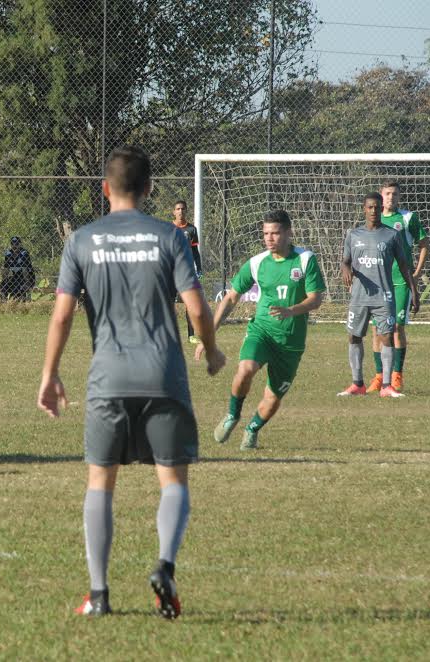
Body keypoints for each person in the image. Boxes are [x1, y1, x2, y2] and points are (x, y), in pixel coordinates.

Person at [37, 145, 226, 619]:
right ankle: (165, 565)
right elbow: (197, 308)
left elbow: (61, 316)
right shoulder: (170, 236)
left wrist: (50, 374)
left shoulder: (81, 240)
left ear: (105, 189)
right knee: (172, 479)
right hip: (163, 375)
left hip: (108, 379)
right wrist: (212, 349)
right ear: (149, 188)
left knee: (100, 481)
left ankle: (99, 594)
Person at [202, 209, 325, 450]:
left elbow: (316, 299)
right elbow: (231, 297)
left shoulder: (305, 260)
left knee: (272, 398)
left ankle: (252, 429)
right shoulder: (257, 263)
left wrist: (291, 310)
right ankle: (232, 415)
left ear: (288, 233)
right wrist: (210, 332)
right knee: (245, 369)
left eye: (275, 233)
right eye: (266, 233)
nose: (269, 238)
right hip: (262, 332)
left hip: (290, 342)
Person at [338, 193, 419, 398]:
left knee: (386, 336)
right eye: (370, 207)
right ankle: (357, 384)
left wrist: (414, 290)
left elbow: (404, 265)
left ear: (382, 208)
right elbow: (345, 261)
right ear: (364, 209)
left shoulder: (392, 235)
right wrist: (345, 269)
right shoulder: (353, 235)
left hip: (384, 296)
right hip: (359, 296)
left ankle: (386, 386)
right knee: (354, 336)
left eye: (377, 207)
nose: (373, 211)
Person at [368, 180, 429, 393]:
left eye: (394, 194)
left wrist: (417, 274)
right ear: (381, 195)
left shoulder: (408, 218)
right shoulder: (374, 218)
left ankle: (396, 376)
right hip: (378, 282)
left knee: (396, 328)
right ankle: (379, 377)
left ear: (399, 197)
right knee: (377, 329)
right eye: (387, 193)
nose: (390, 197)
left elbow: (424, 244)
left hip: (401, 281)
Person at [172, 200, 202, 344]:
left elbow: (195, 251)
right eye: (178, 209)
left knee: (190, 304)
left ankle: (191, 335)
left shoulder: (192, 229)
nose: (180, 211)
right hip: (171, 271)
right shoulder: (168, 228)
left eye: (183, 209)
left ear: (186, 211)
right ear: (174, 212)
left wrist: (199, 268)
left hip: (186, 272)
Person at [0, 236, 36, 301]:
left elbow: (25, 271)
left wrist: (27, 283)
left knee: (18, 287)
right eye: (12, 244)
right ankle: (3, 302)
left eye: (16, 244)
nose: (14, 246)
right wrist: (4, 280)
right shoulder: (8, 254)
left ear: (20, 244)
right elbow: (6, 269)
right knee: (3, 285)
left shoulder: (24, 253)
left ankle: (22, 299)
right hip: (16, 276)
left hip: (27, 277)